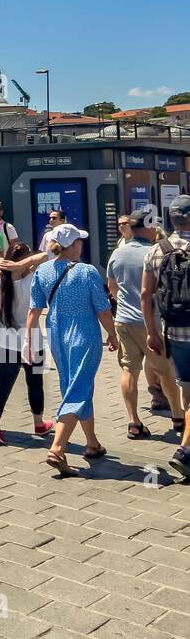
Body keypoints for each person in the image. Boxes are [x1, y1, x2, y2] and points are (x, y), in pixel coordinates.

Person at [24, 224, 118, 476]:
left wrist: (28, 339)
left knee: (72, 384)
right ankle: (57, 448)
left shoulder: (42, 270)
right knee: (80, 387)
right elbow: (103, 309)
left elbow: (34, 309)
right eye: (79, 241)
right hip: (84, 334)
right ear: (73, 245)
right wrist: (112, 333)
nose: (82, 245)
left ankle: (92, 443)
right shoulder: (87, 272)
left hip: (56, 333)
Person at [108, 209, 184, 439]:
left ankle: (133, 421)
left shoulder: (117, 253)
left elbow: (112, 287)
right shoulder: (153, 252)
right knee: (165, 371)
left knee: (129, 370)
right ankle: (178, 416)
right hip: (149, 321)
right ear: (149, 228)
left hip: (123, 320)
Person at [0, 241, 53, 445]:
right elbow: (48, 255)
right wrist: (27, 263)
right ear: (25, 261)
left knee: (4, 381)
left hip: (6, 338)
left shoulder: (0, 280)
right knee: (35, 382)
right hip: (32, 338)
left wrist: (9, 265)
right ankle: (39, 423)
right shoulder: (33, 279)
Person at [142, 193, 190, 480]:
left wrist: (152, 332)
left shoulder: (156, 250)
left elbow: (146, 294)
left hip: (173, 332)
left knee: (187, 388)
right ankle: (184, 450)